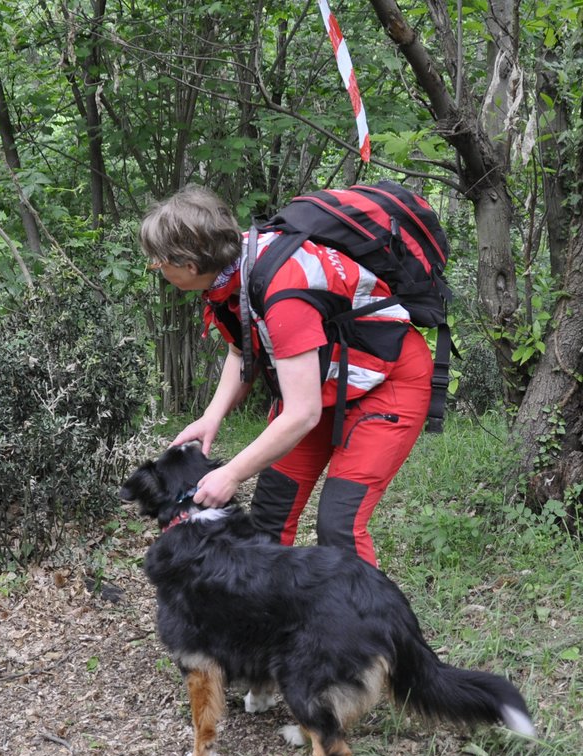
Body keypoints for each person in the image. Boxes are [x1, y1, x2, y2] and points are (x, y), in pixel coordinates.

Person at [140, 185, 432, 567]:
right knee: (270, 515)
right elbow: (241, 348)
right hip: (324, 383)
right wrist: (212, 415)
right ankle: (268, 621)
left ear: (188, 264)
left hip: (388, 381)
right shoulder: (233, 270)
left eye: (158, 263)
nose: (157, 270)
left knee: (338, 526)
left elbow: (301, 414)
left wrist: (232, 474)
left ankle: (363, 625)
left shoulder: (283, 290)